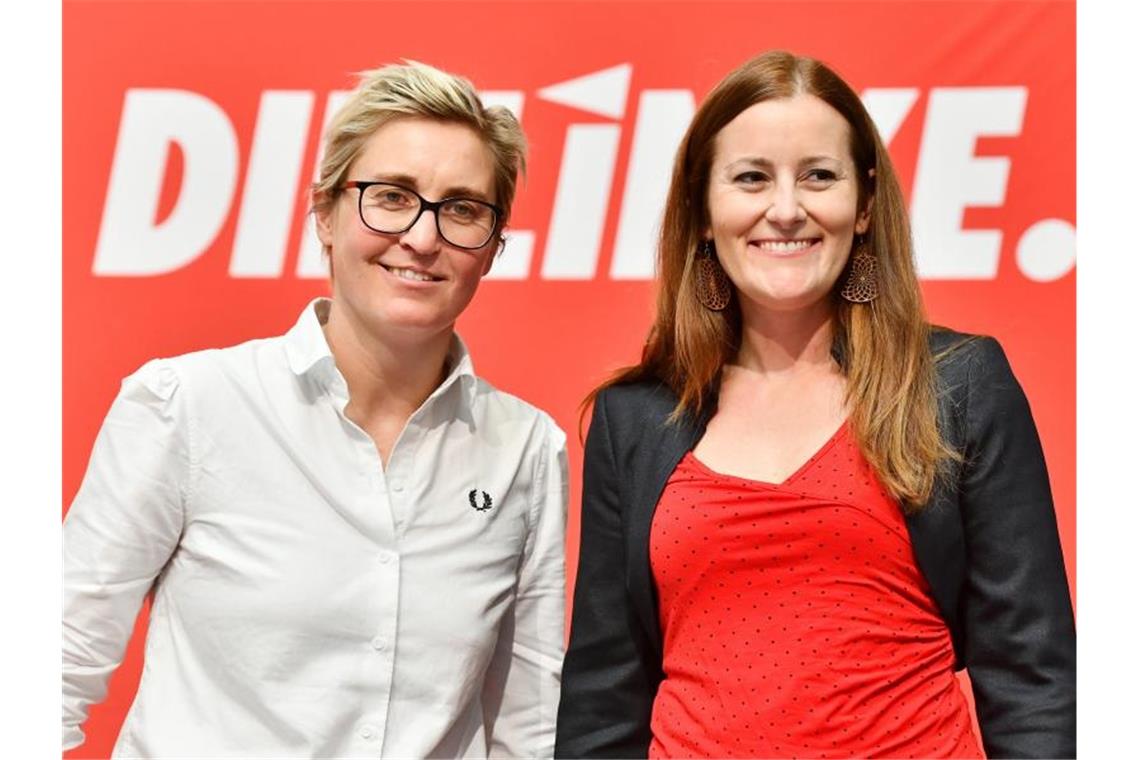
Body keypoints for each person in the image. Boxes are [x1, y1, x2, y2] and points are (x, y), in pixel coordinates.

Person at [555, 50, 1074, 759]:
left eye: (818, 176)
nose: (787, 208)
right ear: (703, 211)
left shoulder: (958, 383)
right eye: (751, 178)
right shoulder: (635, 417)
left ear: (863, 205)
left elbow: (1032, 677)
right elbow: (604, 701)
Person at [63, 61, 567, 758]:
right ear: (325, 216)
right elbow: (55, 662)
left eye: (462, 209)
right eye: (391, 197)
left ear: (493, 248)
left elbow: (528, 722)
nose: (424, 237)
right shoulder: (188, 405)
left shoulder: (527, 447)